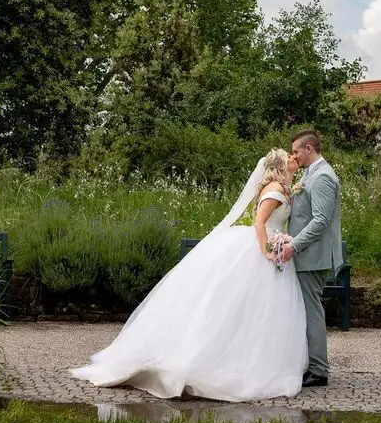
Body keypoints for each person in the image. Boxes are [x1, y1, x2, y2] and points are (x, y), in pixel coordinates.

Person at [67, 149, 308, 401]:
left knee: (256, 310)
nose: (292, 159)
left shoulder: (283, 187)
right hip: (264, 249)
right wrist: (267, 250)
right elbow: (260, 222)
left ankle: (255, 356)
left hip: (276, 248)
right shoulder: (275, 190)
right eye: (288, 157)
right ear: (279, 166)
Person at [278, 128, 344, 387]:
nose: (294, 155)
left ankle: (319, 369)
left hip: (313, 256)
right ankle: (310, 363)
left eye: (296, 151)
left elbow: (321, 221)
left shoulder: (324, 177)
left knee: (312, 310)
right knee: (305, 309)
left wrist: (294, 245)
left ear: (309, 149)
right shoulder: (309, 174)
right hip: (306, 255)